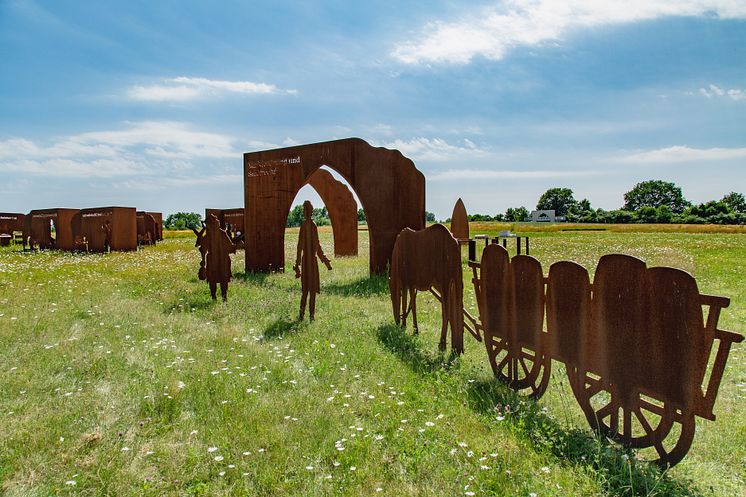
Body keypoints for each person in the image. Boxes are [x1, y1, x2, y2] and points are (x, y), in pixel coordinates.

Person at [294, 201, 332, 321]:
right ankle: (305, 316)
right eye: (304, 211)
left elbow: (315, 246)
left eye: (306, 210)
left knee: (309, 291)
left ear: (309, 211)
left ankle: (308, 316)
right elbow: (301, 246)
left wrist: (325, 261)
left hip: (308, 261)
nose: (305, 213)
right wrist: (297, 264)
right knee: (307, 291)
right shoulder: (308, 226)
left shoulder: (308, 226)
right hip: (309, 262)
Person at [204, 214, 238, 301]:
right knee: (223, 279)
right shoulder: (222, 233)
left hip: (214, 261)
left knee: (213, 280)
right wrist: (235, 245)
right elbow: (230, 247)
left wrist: (203, 261)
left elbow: (203, 248)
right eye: (216, 221)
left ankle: (214, 298)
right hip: (222, 261)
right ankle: (224, 297)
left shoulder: (209, 234)